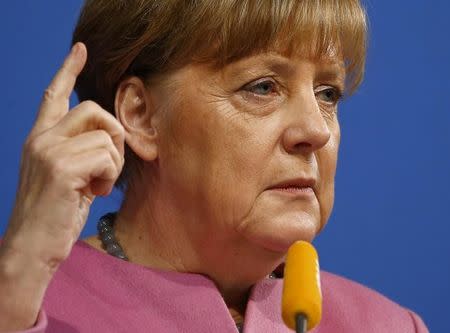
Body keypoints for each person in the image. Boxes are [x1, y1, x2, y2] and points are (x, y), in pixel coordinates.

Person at [0, 0, 429, 332]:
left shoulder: (386, 325)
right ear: (143, 116)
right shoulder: (22, 299)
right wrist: (16, 287)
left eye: (328, 93)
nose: (316, 131)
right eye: (263, 87)